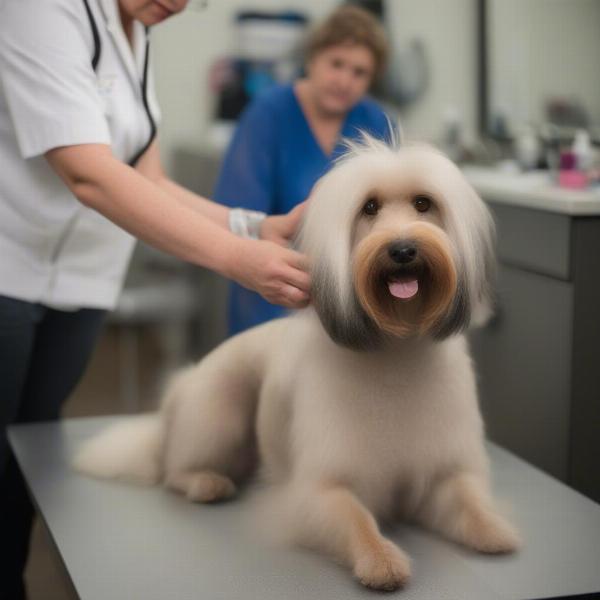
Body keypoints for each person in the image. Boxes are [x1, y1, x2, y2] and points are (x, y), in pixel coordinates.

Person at [0, 1, 310, 597]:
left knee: (27, 459)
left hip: (80, 284)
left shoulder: (136, 32)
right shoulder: (44, 10)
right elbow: (88, 173)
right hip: (9, 273)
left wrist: (250, 227)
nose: (181, 3)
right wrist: (237, 262)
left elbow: (150, 180)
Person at [214, 5, 394, 336]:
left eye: (359, 72)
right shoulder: (267, 114)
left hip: (349, 300)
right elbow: (236, 213)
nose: (344, 81)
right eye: (336, 64)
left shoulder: (376, 122)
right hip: (272, 291)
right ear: (312, 58)